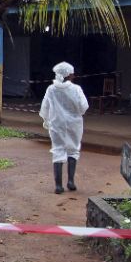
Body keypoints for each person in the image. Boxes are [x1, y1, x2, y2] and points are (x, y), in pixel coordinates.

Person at [39, 62, 89, 194]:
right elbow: (84, 107)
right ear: (69, 75)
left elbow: (45, 107)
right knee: (73, 150)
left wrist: (46, 119)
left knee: (58, 151)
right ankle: (71, 182)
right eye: (72, 73)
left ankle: (58, 186)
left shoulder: (51, 89)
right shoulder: (76, 89)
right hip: (74, 124)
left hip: (57, 124)